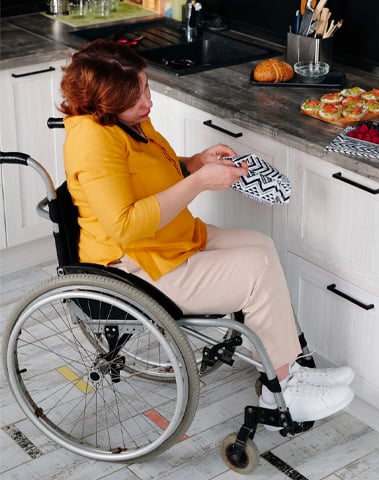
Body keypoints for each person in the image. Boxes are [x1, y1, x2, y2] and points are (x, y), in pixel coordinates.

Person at [59, 39, 354, 428]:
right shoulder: (93, 142)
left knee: (260, 245)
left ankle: (288, 365)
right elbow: (125, 225)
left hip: (168, 239)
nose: (148, 103)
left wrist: (194, 163)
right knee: (254, 268)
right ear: (103, 104)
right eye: (137, 99)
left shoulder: (125, 121)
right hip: (135, 266)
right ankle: (284, 389)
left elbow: (146, 175)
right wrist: (199, 181)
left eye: (146, 88)